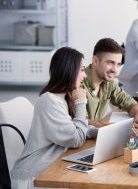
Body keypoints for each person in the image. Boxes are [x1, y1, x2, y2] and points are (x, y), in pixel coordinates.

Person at [10, 47, 89, 189]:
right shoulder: (49, 101)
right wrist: (81, 103)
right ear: (69, 70)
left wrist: (101, 132)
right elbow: (75, 139)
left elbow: (76, 129)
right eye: (82, 70)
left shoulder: (62, 99)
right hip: (34, 176)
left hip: (49, 169)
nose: (85, 75)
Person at [84, 38, 138, 138]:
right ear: (95, 61)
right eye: (110, 63)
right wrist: (121, 129)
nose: (115, 70)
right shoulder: (78, 83)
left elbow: (132, 104)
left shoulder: (109, 82)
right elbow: (82, 122)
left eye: (118, 64)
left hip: (98, 138)